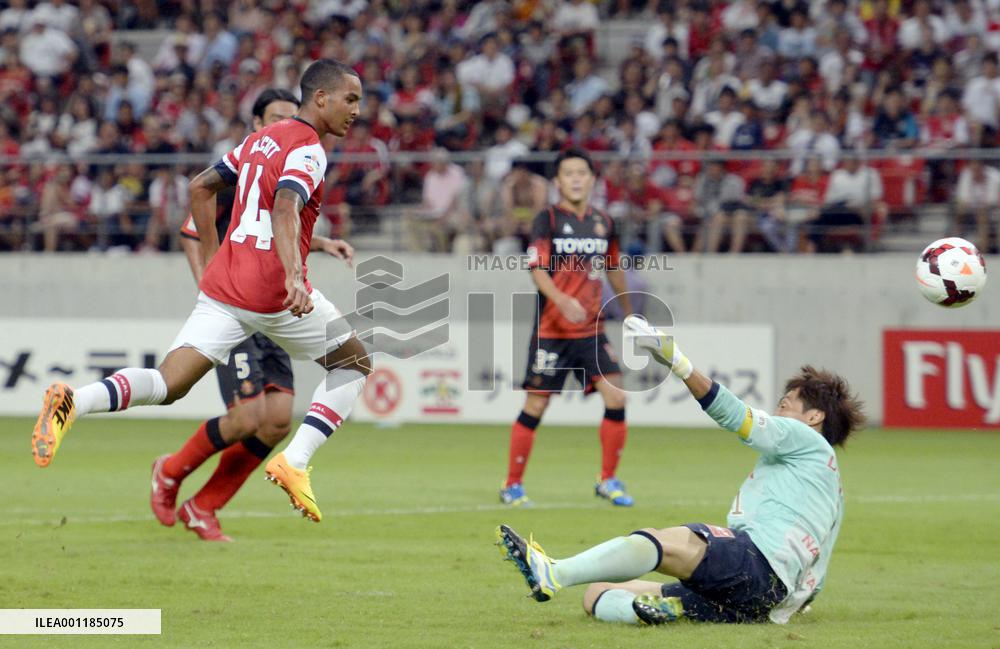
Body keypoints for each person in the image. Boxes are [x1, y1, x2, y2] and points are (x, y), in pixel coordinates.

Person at [31, 59, 371, 527]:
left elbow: (200, 186)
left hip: (225, 290)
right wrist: (294, 275)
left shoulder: (257, 140)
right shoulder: (310, 149)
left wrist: (217, 259)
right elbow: (286, 209)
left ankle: (74, 400)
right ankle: (294, 462)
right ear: (320, 98)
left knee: (170, 384)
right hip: (271, 295)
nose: (356, 110)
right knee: (353, 364)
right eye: (350, 99)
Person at [497, 314, 864, 625]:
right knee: (596, 594)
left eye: (786, 405)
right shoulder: (832, 487)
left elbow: (738, 417)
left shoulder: (804, 437)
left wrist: (677, 362)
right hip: (761, 599)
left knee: (664, 541)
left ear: (814, 417)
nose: (778, 413)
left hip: (755, 563)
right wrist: (792, 604)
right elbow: (819, 567)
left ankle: (554, 573)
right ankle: (662, 609)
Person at [160, 88, 356, 542]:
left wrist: (323, 244)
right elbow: (194, 228)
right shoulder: (238, 171)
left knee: (278, 421)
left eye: (292, 115)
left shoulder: (287, 158)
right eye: (277, 117)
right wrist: (211, 280)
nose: (287, 123)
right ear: (256, 123)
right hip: (235, 301)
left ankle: (203, 505)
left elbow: (282, 220)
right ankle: (169, 471)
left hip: (274, 305)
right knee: (247, 417)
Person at [499, 149, 635, 508]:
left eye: (581, 173)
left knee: (616, 396)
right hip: (552, 331)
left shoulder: (605, 222)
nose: (575, 178)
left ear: (592, 180)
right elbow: (537, 269)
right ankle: (512, 484)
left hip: (591, 329)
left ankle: (608, 480)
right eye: (568, 173)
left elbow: (614, 268)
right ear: (558, 182)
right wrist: (561, 299)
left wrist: (629, 311)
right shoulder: (547, 219)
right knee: (535, 406)